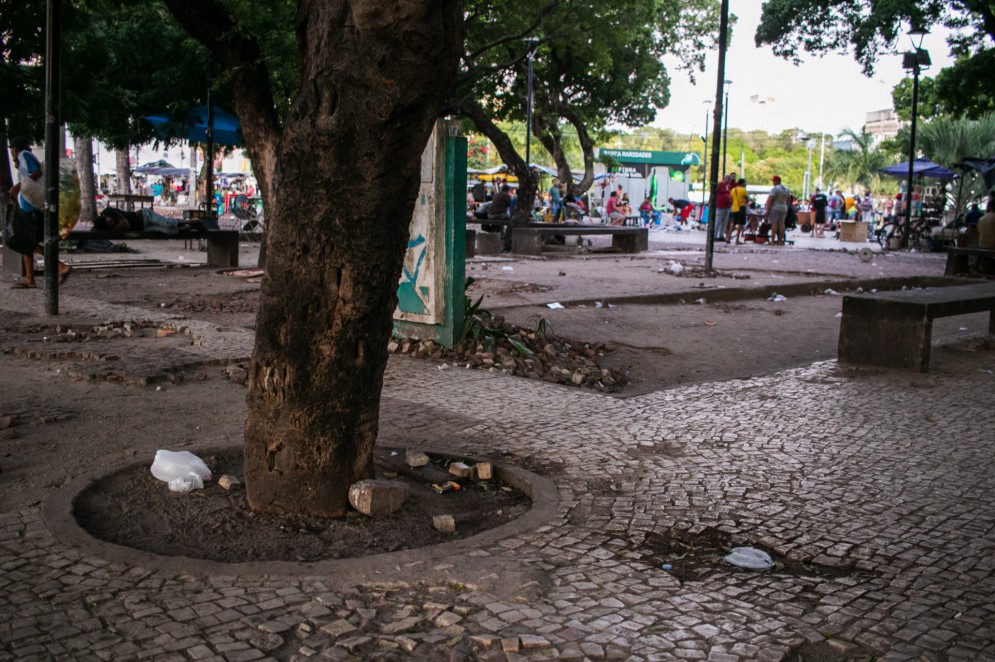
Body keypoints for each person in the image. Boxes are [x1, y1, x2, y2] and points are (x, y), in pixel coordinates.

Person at [7, 137, 71, 289]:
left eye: (11, 150)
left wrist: (18, 186)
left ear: (15, 149)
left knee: (25, 240)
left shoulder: (24, 155)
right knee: (26, 241)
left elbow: (35, 172)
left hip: (29, 207)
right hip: (27, 205)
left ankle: (60, 266)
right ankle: (30, 277)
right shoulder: (23, 158)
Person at [765, 175, 791, 246]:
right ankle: (780, 241)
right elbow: (789, 200)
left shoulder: (775, 189)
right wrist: (787, 208)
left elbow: (771, 199)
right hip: (784, 207)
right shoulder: (786, 188)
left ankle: (772, 241)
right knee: (782, 224)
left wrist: (768, 209)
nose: (773, 182)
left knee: (774, 224)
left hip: (775, 207)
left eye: (773, 181)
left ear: (777, 181)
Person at [713, 173, 733, 242]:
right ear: (724, 179)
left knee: (724, 222)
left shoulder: (728, 186)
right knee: (718, 221)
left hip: (727, 206)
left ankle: (721, 235)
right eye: (727, 179)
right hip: (720, 205)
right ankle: (715, 235)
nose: (728, 180)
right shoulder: (720, 185)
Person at [728, 178, 749, 244]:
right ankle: (737, 240)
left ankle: (728, 237)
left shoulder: (733, 190)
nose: (745, 184)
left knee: (733, 223)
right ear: (742, 183)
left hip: (734, 208)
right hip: (741, 209)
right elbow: (747, 200)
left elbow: (730, 199)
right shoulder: (744, 190)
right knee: (740, 224)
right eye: (744, 183)